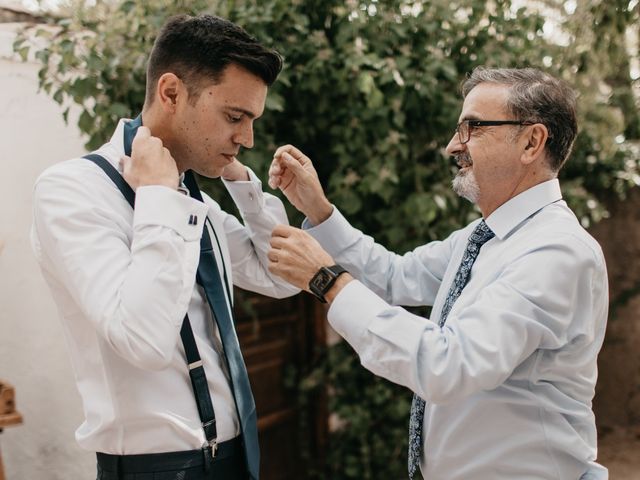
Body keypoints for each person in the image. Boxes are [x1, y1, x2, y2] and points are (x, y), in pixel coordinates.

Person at [266, 67, 609, 479]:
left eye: (472, 128)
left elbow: (448, 365)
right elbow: (394, 277)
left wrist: (327, 280)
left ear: (532, 141)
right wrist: (318, 210)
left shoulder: (555, 251)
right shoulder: (480, 237)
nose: (452, 146)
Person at [31, 14, 299, 480]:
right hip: (155, 469)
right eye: (235, 117)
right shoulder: (72, 190)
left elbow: (279, 276)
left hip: (239, 458)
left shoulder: (189, 199)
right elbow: (143, 339)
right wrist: (156, 196)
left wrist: (242, 185)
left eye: (251, 121)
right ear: (171, 93)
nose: (247, 138)